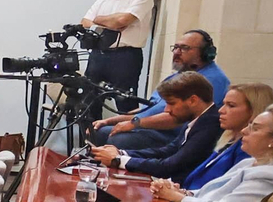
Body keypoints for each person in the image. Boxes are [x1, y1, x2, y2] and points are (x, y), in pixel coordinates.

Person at [88, 30, 230, 149]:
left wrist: (134, 124)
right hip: (151, 129)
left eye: (185, 48)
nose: (177, 52)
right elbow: (148, 110)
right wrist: (111, 120)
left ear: (206, 53)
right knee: (98, 130)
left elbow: (177, 119)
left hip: (172, 136)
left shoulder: (212, 79)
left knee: (118, 140)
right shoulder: (178, 76)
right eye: (175, 47)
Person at [90, 71, 220, 182]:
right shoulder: (198, 118)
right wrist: (122, 153)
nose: (167, 110)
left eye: (172, 103)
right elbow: (168, 150)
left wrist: (118, 160)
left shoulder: (210, 124)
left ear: (193, 100)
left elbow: (168, 166)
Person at [182, 82, 273, 190]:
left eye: (231, 106)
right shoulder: (229, 141)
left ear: (253, 111)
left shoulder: (247, 150)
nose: (221, 110)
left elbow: (226, 191)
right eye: (224, 104)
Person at [81, 0, 155, 92]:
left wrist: (98, 19)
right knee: (89, 99)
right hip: (98, 54)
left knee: (124, 101)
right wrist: (110, 21)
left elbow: (123, 20)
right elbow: (85, 22)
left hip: (125, 56)